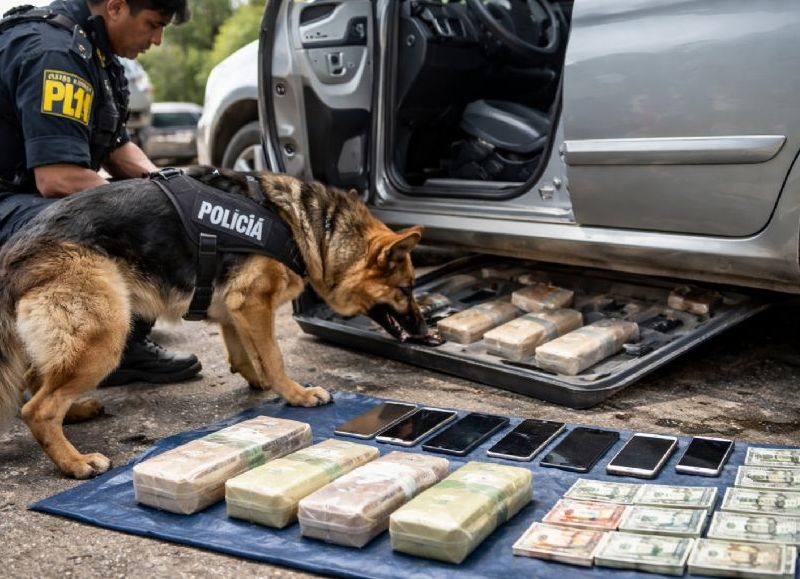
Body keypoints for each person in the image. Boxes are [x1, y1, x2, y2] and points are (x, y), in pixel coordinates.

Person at [0, 0, 201, 386]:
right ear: (115, 7)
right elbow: (57, 179)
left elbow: (116, 147)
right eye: (153, 25)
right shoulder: (55, 55)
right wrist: (149, 205)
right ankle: (99, 348)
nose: (157, 40)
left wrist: (178, 192)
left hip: (21, 202)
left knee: (160, 205)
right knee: (130, 219)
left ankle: (114, 343)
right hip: (10, 207)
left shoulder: (93, 52)